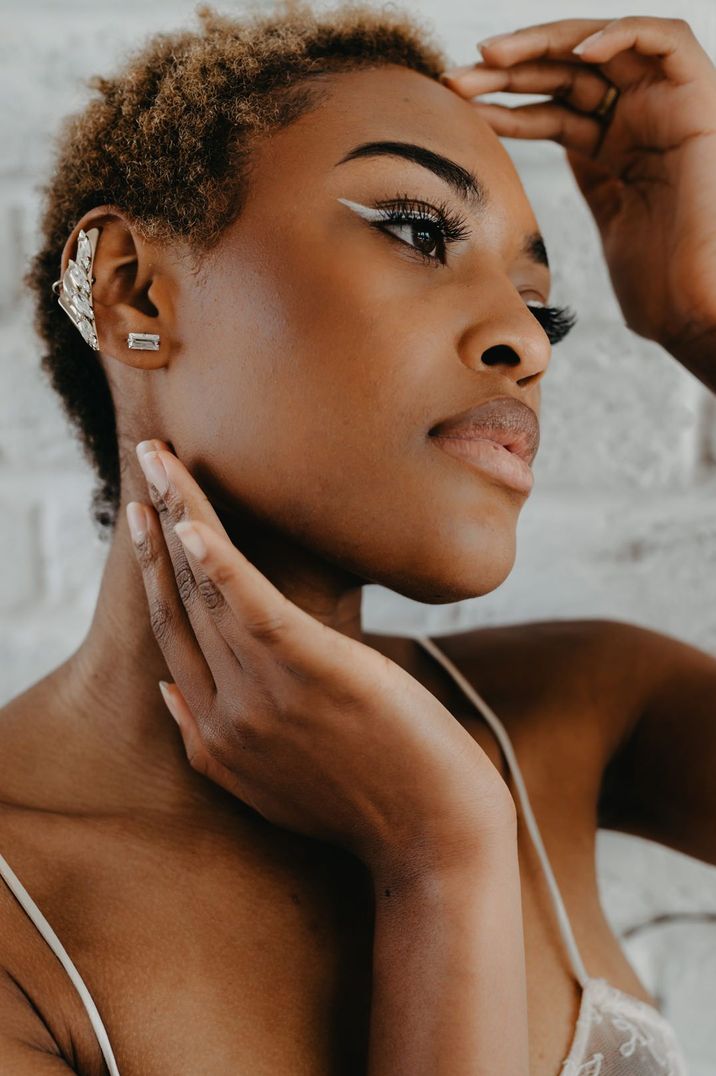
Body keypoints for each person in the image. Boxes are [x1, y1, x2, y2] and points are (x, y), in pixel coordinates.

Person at [2, 2, 715, 1072]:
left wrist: (705, 319)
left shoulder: (570, 714)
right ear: (133, 290)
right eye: (419, 231)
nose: (525, 341)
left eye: (541, 307)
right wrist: (438, 858)